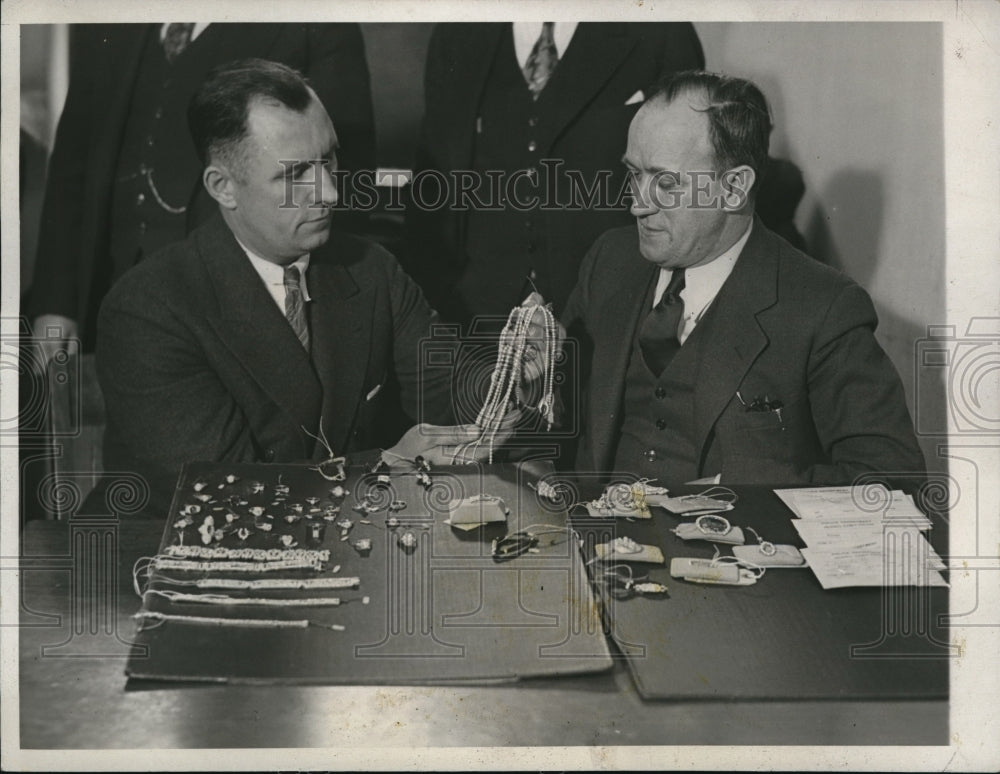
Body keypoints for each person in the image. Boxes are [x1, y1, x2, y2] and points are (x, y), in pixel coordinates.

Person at [92, 59, 447, 517]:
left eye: (329, 159)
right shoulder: (146, 310)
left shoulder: (371, 269)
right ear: (223, 187)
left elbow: (451, 392)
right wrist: (389, 464)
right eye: (295, 174)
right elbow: (228, 494)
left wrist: (519, 372)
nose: (329, 193)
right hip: (174, 561)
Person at [561, 70, 925, 485]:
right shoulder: (611, 259)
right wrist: (531, 372)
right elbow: (559, 402)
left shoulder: (824, 309)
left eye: (665, 183)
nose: (638, 206)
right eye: (634, 175)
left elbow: (893, 483)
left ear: (733, 188)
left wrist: (741, 494)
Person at [27, 23, 375, 365]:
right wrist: (56, 302)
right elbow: (72, 168)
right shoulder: (109, 20)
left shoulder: (316, 23)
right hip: (99, 314)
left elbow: (339, 185)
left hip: (235, 325)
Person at [406, 22, 706, 325]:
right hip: (476, 321)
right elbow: (432, 189)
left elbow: (687, 193)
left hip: (609, 319)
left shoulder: (661, 28)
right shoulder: (457, 32)